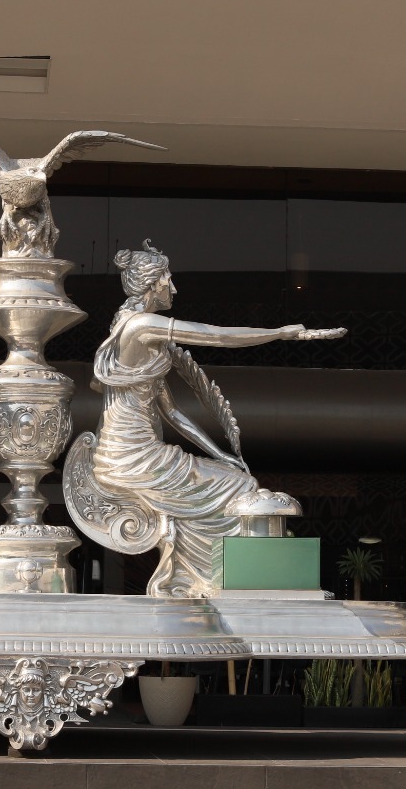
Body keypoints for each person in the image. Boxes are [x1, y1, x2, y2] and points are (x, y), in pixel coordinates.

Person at [88, 241, 345, 597]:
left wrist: (219, 453)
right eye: (167, 279)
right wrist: (280, 333)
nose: (173, 287)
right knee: (240, 487)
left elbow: (173, 413)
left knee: (235, 479)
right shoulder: (142, 326)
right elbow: (217, 335)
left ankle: (214, 578)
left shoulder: (137, 333)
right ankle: (229, 580)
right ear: (152, 283)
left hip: (140, 453)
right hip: (131, 458)